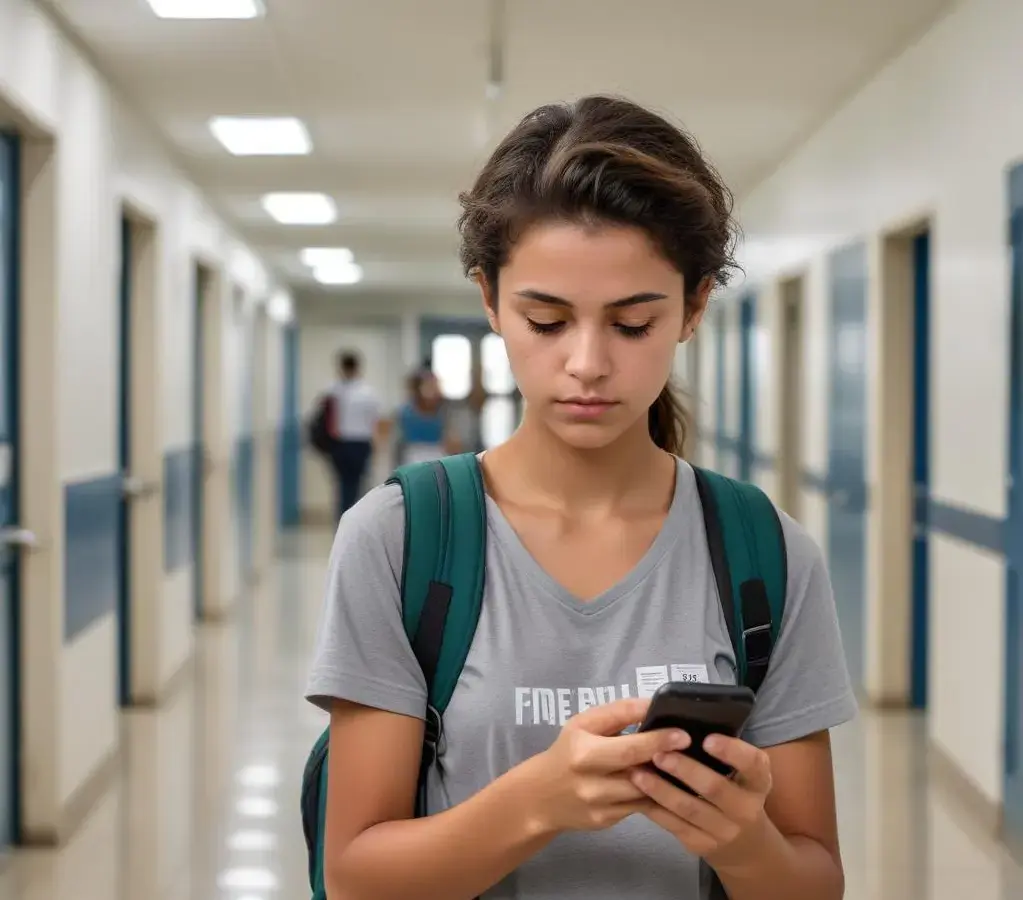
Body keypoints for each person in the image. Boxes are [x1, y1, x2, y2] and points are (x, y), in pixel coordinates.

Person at [305, 95, 856, 900]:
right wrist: (537, 804)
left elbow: (814, 882)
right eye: (547, 319)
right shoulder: (398, 538)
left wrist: (742, 843)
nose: (588, 364)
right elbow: (357, 877)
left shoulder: (765, 552)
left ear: (693, 308)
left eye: (633, 324)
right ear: (491, 300)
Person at [326, 350, 381, 520]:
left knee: (345, 485)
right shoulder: (368, 392)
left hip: (343, 443)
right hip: (359, 443)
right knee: (356, 484)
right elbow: (374, 421)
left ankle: (345, 520)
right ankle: (355, 520)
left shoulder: (334, 390)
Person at [393, 368, 461, 465]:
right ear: (418, 389)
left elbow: (452, 438)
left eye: (435, 386)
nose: (433, 390)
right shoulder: (406, 412)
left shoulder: (444, 410)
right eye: (429, 386)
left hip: (438, 454)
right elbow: (398, 442)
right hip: (413, 455)